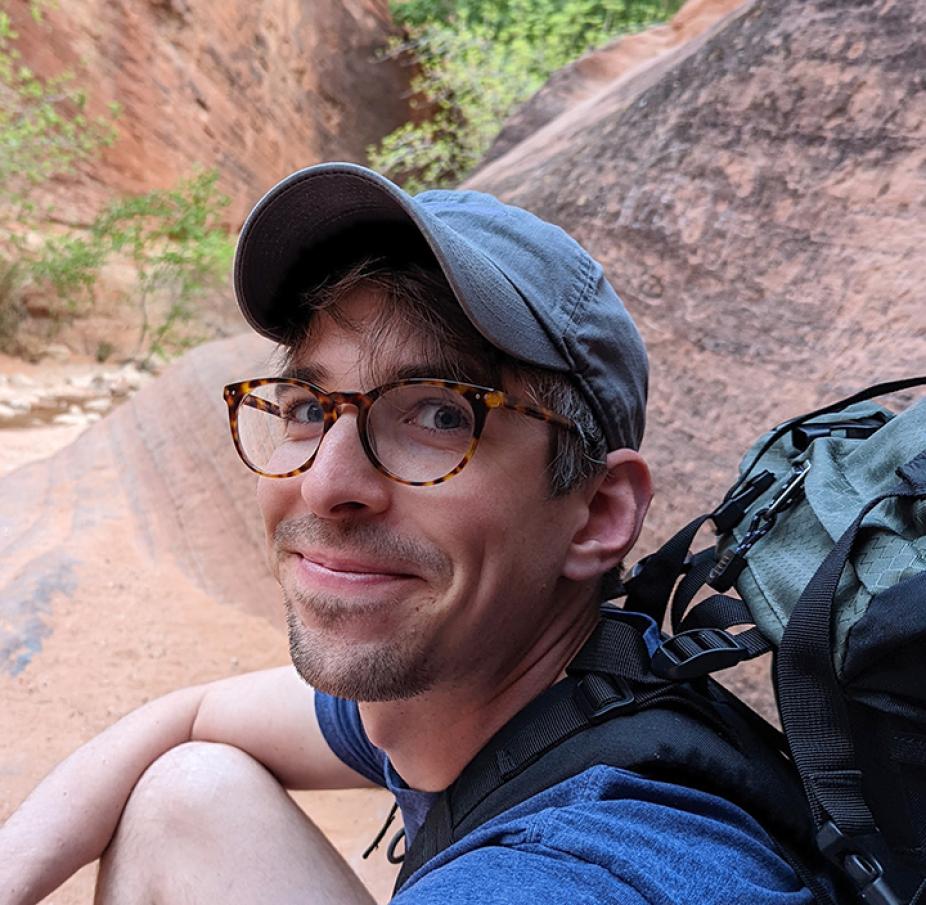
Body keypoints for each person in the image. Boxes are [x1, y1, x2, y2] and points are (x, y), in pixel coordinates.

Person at [0, 163, 812, 904]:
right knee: (188, 792)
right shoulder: (498, 681)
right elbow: (192, 714)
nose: (326, 481)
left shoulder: (585, 870)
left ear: (598, 513)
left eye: (438, 414)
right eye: (309, 409)